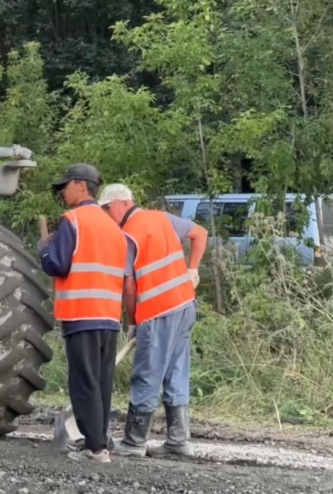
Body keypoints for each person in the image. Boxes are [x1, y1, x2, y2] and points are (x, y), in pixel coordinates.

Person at [98, 184, 208, 457]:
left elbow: (130, 288)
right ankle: (178, 440)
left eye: (107, 208)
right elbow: (200, 233)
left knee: (147, 373)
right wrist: (192, 269)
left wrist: (133, 320)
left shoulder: (127, 235)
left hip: (158, 312)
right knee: (175, 372)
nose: (106, 214)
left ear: (123, 203)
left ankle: (134, 441)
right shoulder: (162, 218)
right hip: (185, 305)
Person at [38, 164, 132, 464]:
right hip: (108, 317)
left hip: (81, 314)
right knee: (102, 383)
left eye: (65, 186)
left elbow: (58, 265)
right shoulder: (113, 228)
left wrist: (43, 250)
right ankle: (99, 442)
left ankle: (94, 448)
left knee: (83, 382)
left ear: (81, 186)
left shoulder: (73, 221)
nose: (62, 191)